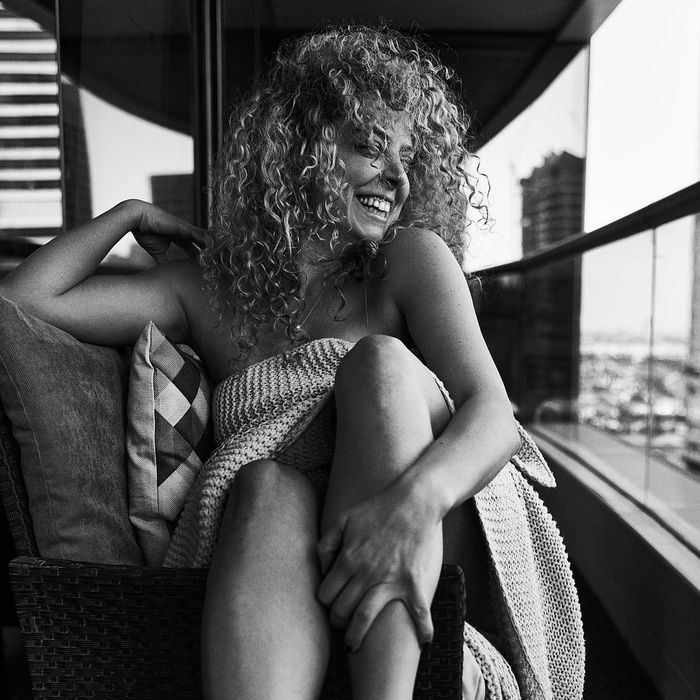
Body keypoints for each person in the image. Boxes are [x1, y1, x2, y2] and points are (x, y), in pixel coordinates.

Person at [0, 26, 583, 700]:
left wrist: (408, 507)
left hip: (429, 508)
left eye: (409, 158)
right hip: (289, 545)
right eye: (370, 147)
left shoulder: (410, 260)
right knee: (262, 486)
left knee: (379, 368)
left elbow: (493, 417)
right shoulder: (206, 289)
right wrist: (127, 216)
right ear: (303, 152)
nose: (397, 177)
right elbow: (22, 302)